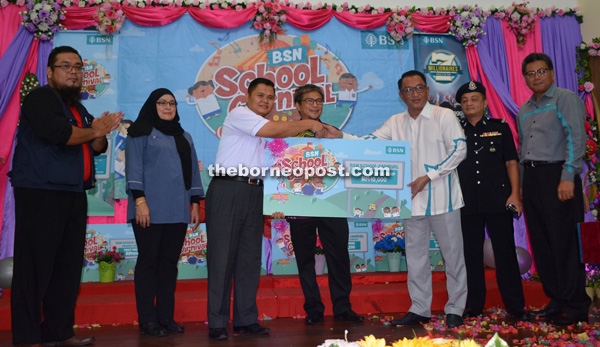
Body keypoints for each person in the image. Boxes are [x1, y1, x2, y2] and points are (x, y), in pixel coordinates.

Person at [327, 70, 468, 328]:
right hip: (411, 201)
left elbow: (459, 149)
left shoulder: (444, 115)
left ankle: (456, 308)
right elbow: (369, 142)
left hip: (443, 198)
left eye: (419, 88)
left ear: (427, 91)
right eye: (408, 90)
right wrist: (341, 137)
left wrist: (429, 175)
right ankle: (420, 308)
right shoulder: (395, 122)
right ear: (401, 95)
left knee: (453, 256)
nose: (414, 94)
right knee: (415, 258)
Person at [8, 46, 123, 346]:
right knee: (34, 267)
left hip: (72, 193)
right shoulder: (41, 98)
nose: (73, 71)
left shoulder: (77, 107)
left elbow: (96, 147)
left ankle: (59, 333)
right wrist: (93, 131)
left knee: (67, 268)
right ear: (49, 71)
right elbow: (62, 135)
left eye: (78, 67)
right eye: (66, 66)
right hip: (40, 192)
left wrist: (99, 132)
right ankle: (28, 337)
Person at [206, 78, 330, 340]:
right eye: (260, 95)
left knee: (249, 260)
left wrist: (280, 200)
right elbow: (274, 130)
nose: (265, 100)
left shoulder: (266, 131)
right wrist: (309, 124)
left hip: (255, 192)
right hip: (228, 189)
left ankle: (245, 319)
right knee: (221, 260)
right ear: (248, 97)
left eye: (270, 97)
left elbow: (281, 164)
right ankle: (217, 323)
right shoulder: (240, 115)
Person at [517, 53, 590, 326]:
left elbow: (576, 137)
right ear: (525, 78)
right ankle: (556, 300)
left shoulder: (565, 98)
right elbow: (524, 150)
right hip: (534, 180)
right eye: (530, 73)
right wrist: (523, 188)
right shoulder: (524, 109)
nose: (536, 77)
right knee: (543, 244)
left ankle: (576, 306)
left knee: (565, 243)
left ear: (552, 73)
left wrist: (569, 176)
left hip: (558, 176)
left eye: (541, 71)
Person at [125, 88, 203, 337]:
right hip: (147, 210)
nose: (168, 107)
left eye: (172, 103)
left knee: (169, 265)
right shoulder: (140, 133)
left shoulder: (184, 136)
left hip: (178, 210)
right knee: (149, 263)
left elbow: (193, 173)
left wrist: (194, 204)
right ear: (152, 105)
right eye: (162, 103)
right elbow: (134, 169)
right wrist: (140, 202)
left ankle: (166, 317)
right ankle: (148, 319)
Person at [286, 84, 363, 325]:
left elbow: (349, 164)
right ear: (297, 105)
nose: (315, 105)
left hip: (332, 204)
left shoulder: (333, 133)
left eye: (319, 100)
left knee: (339, 256)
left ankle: (342, 308)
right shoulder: (284, 134)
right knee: (305, 260)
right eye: (309, 101)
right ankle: (313, 309)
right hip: (300, 206)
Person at [455, 81, 529, 320]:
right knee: (471, 255)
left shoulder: (500, 128)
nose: (469, 104)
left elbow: (511, 162)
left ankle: (516, 307)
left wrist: (515, 194)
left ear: (485, 103)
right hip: (466, 202)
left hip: (498, 199)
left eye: (474, 99)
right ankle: (474, 306)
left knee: (505, 253)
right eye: (465, 100)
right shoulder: (455, 130)